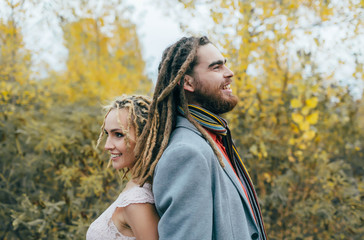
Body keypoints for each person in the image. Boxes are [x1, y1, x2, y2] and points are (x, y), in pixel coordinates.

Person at [133, 36, 268, 239]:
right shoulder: (186, 153)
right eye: (216, 67)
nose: (229, 73)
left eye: (225, 65)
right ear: (187, 82)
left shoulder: (213, 139)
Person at [86, 95, 159, 240]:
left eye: (118, 135)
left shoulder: (137, 202)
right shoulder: (136, 185)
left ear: (144, 137)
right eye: (107, 134)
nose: (107, 146)